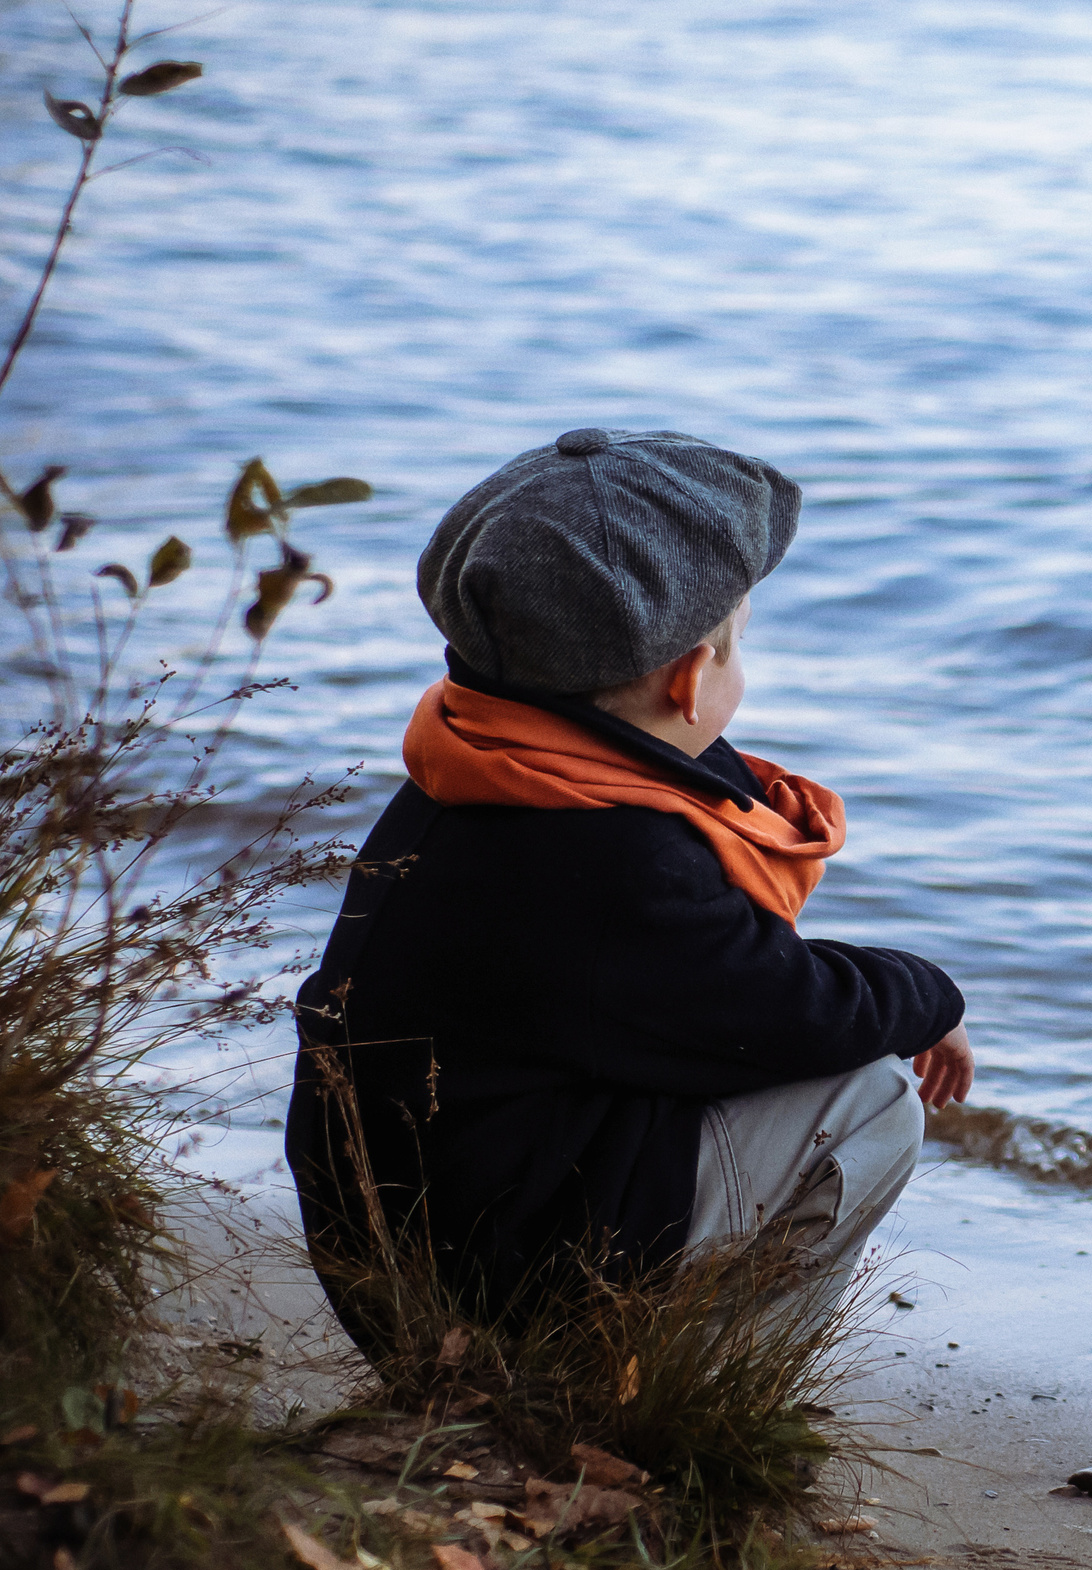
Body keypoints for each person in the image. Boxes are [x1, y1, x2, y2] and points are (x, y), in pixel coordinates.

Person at [285, 427, 970, 1349]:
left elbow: (697, 982)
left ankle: (614, 1364)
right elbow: (791, 1013)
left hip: (407, 1244)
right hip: (484, 1292)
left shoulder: (478, 767)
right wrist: (931, 995)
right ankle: (690, 1388)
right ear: (691, 679)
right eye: (737, 644)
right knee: (873, 1095)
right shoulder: (616, 856)